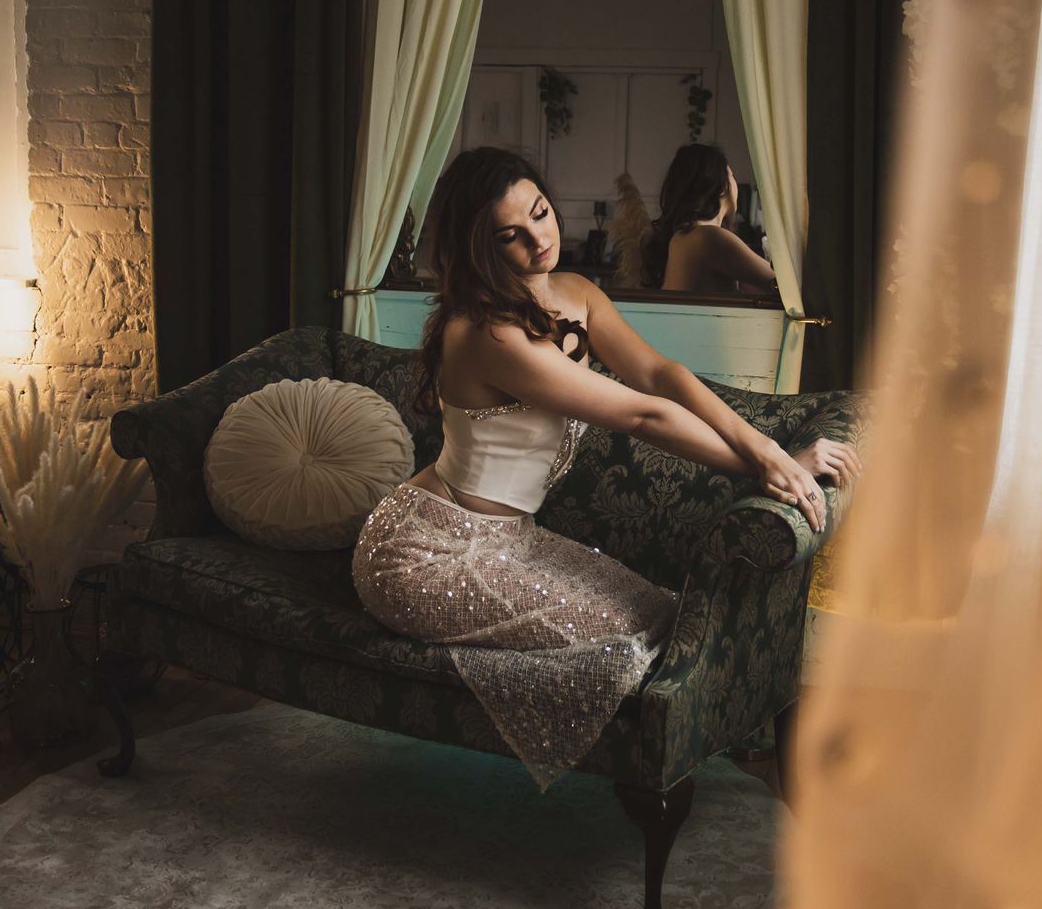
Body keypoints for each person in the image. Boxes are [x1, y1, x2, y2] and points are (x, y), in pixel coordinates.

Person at [353, 147, 860, 786]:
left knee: (669, 616)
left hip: (513, 541)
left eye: (540, 213)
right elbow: (644, 415)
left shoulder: (576, 293)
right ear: (479, 248)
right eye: (510, 236)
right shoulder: (486, 335)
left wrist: (771, 451)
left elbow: (661, 375)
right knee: (625, 642)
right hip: (424, 554)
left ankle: (738, 743)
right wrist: (767, 461)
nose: (539, 239)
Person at [643, 143, 777, 295]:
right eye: (732, 176)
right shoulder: (709, 238)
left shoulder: (684, 236)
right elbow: (781, 283)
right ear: (722, 187)